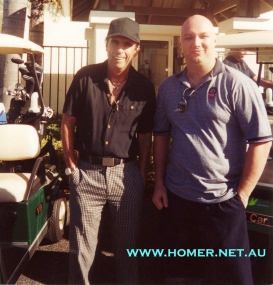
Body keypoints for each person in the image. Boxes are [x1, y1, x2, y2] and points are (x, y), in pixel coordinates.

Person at [152, 15, 272, 285]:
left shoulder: (238, 85)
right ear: (180, 43)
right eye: (189, 37)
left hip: (224, 203)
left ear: (215, 40)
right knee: (179, 278)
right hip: (177, 200)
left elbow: (261, 140)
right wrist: (159, 183)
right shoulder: (170, 88)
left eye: (204, 36)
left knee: (232, 279)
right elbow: (160, 136)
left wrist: (241, 196)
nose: (196, 43)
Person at [61, 17, 156, 285]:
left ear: (136, 49)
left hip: (126, 176)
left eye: (127, 44)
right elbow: (68, 121)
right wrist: (71, 165)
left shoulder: (144, 87)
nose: (120, 49)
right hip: (87, 173)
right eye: (115, 42)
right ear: (107, 44)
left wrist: (141, 172)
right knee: (81, 247)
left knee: (127, 248)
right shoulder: (85, 77)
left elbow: (147, 134)